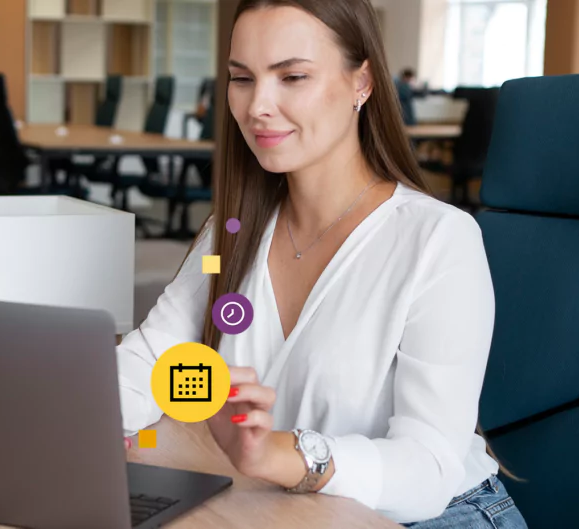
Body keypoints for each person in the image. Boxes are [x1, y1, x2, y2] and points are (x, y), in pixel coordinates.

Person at [116, 0, 527, 527]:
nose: (257, 105)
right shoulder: (233, 230)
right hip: (298, 506)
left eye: (292, 76)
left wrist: (284, 454)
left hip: (437, 516)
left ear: (362, 82)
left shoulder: (439, 239)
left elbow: (428, 469)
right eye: (242, 78)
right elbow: (149, 365)